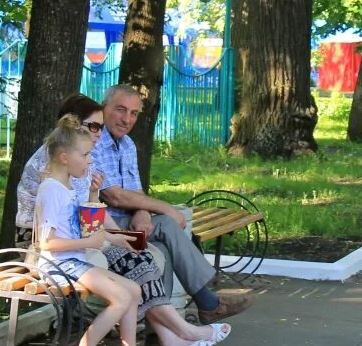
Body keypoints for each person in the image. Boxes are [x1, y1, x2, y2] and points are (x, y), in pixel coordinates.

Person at [16, 94, 227, 346]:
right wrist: (106, 237)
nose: (98, 134)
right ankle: (173, 335)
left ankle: (162, 343)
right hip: (49, 248)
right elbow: (59, 230)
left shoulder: (83, 160)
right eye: (93, 127)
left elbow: (89, 211)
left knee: (147, 253)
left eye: (99, 127)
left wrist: (118, 233)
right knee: (139, 261)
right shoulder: (57, 169)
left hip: (77, 241)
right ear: (72, 130)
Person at [93, 84, 254, 324]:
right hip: (104, 226)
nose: (127, 119)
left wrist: (144, 212)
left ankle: (162, 334)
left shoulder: (126, 144)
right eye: (120, 110)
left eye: (134, 113)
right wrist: (164, 208)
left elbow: (136, 191)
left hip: (127, 221)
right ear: (104, 107)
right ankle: (206, 303)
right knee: (168, 223)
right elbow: (113, 196)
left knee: (165, 249)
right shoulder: (94, 140)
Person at [33, 115, 168, 346]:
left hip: (75, 260)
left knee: (133, 289)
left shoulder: (68, 186)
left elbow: (84, 223)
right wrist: (89, 243)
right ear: (63, 158)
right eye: (84, 155)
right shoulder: (51, 190)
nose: (89, 161)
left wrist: (94, 196)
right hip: (59, 264)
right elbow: (46, 243)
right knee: (120, 297)